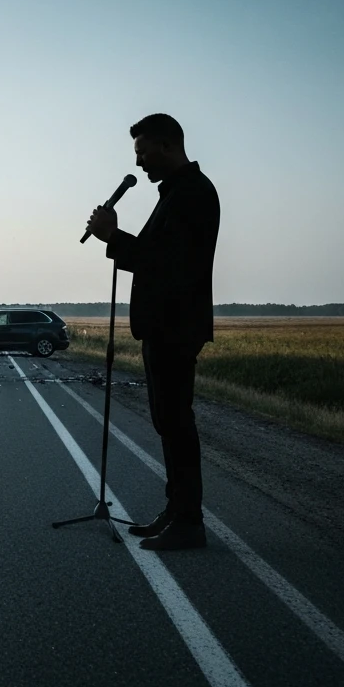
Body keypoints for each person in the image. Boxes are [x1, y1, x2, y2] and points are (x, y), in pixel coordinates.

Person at [85, 113, 220, 550]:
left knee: (177, 423)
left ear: (166, 145)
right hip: (163, 327)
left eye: (143, 152)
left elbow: (167, 264)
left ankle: (189, 521)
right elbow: (158, 256)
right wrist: (115, 237)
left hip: (177, 327)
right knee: (168, 422)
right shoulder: (176, 194)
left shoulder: (194, 194)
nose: (139, 163)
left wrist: (113, 236)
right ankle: (176, 511)